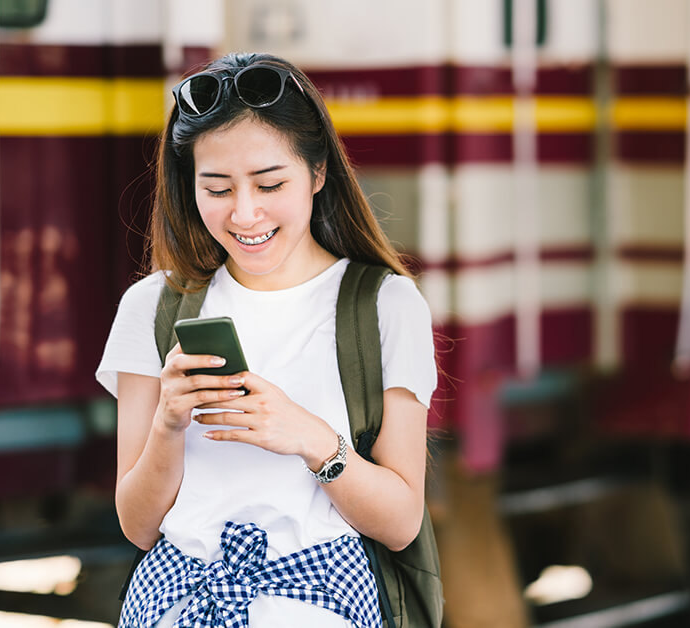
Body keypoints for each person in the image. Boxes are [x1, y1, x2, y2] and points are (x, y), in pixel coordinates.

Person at [96, 52, 437, 627]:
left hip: (321, 599)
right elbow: (138, 525)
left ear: (318, 171)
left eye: (269, 183)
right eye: (217, 188)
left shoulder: (384, 304)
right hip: (176, 597)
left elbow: (402, 522)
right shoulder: (151, 306)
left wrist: (311, 439)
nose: (245, 213)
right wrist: (168, 424)